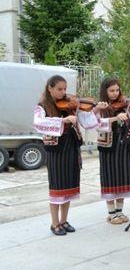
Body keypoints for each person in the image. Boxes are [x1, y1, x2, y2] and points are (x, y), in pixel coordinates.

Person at [33, 75, 92, 235]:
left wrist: (95, 109)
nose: (63, 92)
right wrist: (63, 121)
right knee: (57, 187)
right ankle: (54, 223)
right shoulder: (42, 106)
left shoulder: (70, 104)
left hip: (71, 147)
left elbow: (87, 121)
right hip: (56, 151)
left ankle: (64, 221)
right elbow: (38, 123)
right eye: (59, 89)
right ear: (50, 88)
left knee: (69, 187)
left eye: (65, 89)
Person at [92, 78, 130, 224]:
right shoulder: (100, 107)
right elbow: (96, 124)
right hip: (108, 147)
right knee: (110, 178)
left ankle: (119, 211)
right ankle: (111, 214)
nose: (115, 93)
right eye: (111, 90)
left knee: (123, 177)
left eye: (117, 90)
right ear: (105, 91)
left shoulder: (125, 105)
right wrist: (114, 117)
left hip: (124, 145)